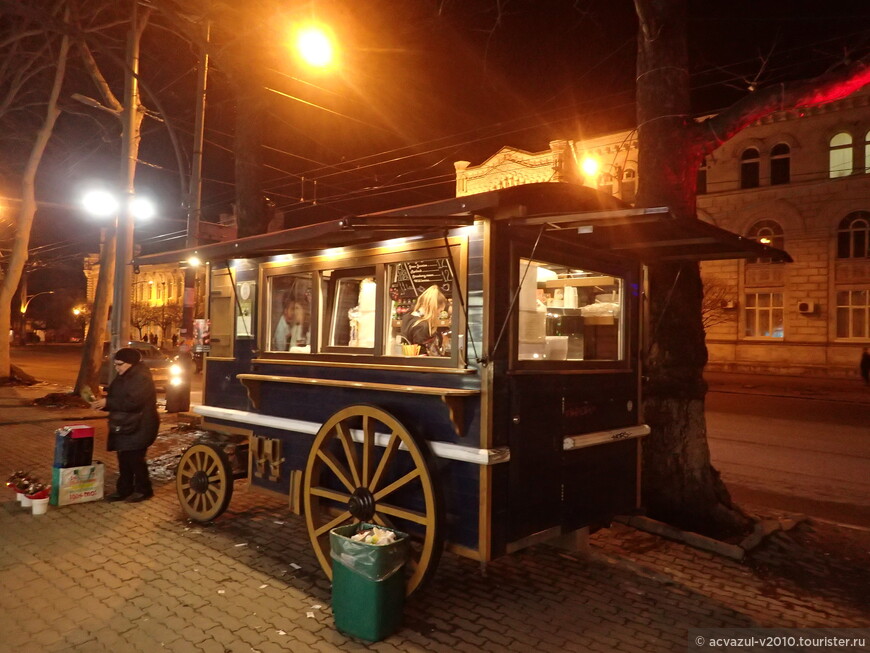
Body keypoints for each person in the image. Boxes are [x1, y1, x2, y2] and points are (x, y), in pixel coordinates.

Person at [90, 347, 159, 502]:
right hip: (126, 423)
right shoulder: (125, 375)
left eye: (120, 364)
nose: (116, 367)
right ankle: (124, 490)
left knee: (134, 458)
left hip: (140, 424)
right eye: (115, 364)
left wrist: (108, 402)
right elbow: (117, 397)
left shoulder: (141, 377)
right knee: (124, 457)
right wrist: (103, 404)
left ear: (131, 363)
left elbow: (133, 402)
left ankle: (143, 490)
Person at [400, 285, 448, 355]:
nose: (439, 314)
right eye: (440, 311)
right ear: (434, 308)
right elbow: (425, 358)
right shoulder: (422, 326)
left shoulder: (408, 316)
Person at [274, 279, 311, 351]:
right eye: (293, 309)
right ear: (285, 310)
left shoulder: (307, 328)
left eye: (297, 308)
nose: (295, 313)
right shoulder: (291, 328)